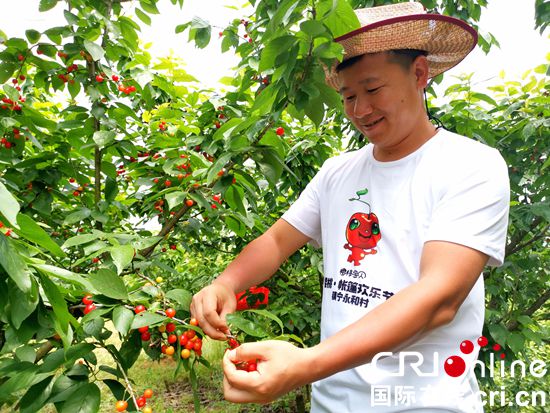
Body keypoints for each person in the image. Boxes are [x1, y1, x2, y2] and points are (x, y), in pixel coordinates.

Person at [191, 2, 510, 412]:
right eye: (348, 96)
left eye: (373, 90)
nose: (361, 110)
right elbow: (276, 241)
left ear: (419, 74)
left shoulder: (471, 166)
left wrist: (306, 364)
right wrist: (225, 283)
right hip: (332, 403)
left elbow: (439, 298)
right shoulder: (337, 171)